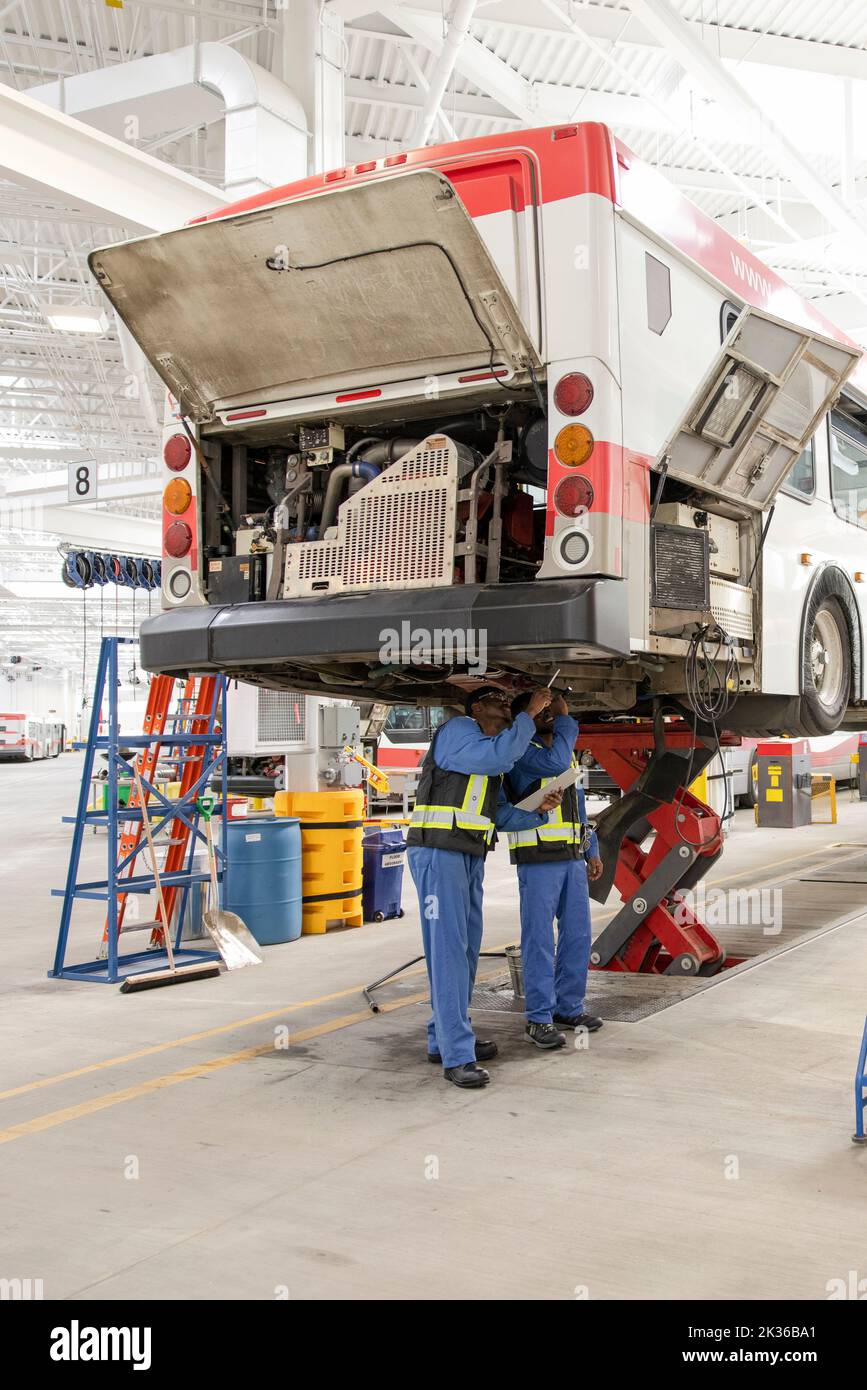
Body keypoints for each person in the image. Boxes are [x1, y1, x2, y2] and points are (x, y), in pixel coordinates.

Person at [406, 686, 564, 1090]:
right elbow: (499, 757)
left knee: (463, 952)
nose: (507, 706)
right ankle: (458, 1055)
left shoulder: (486, 752)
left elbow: (497, 814)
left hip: (467, 854)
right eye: (498, 700)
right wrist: (529, 713)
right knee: (449, 951)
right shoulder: (459, 730)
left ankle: (441, 1038)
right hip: (439, 854)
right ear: (477, 708)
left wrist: (538, 814)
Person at [506, 690, 604, 1051]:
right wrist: (565, 717)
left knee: (577, 936)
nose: (551, 716)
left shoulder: (560, 755)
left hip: (570, 858)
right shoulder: (524, 753)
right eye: (544, 712)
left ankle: (568, 1008)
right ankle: (539, 1018)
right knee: (540, 941)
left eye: (552, 712)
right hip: (537, 858)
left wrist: (590, 848)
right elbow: (555, 763)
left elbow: (577, 808)